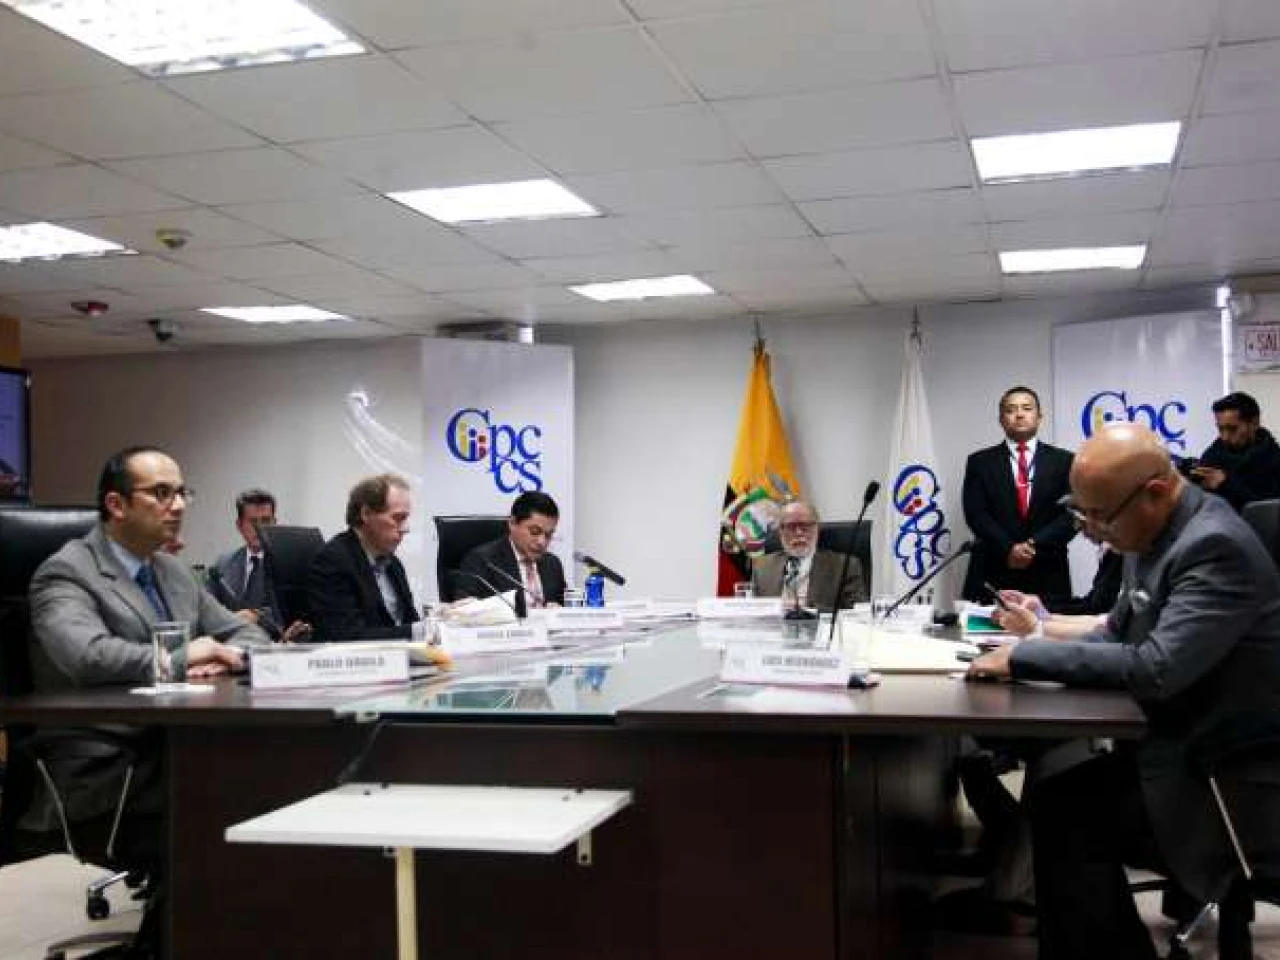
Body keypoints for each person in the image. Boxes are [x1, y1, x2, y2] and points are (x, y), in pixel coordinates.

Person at [967, 423, 1280, 959]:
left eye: (1100, 516)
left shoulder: (1214, 546)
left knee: (1067, 810)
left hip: (1226, 775)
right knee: (1058, 792)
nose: (1092, 531)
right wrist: (1031, 642)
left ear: (1155, 492)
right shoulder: (1152, 533)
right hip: (1182, 744)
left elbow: (1156, 667)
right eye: (1081, 514)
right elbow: (1117, 632)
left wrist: (1022, 657)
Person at [26, 446, 268, 954]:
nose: (177, 505)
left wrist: (225, 656)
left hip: (174, 748)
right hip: (106, 769)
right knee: (232, 809)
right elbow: (86, 656)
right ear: (116, 504)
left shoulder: (173, 572)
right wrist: (180, 657)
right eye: (161, 493)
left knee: (266, 786)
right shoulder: (65, 572)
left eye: (181, 493)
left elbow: (249, 634)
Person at [961, 386, 1076, 602]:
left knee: (1050, 623)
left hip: (1048, 570)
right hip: (993, 568)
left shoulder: (1065, 461)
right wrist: (1008, 549)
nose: (1019, 414)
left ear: (1039, 417)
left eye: (1027, 408)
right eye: (1011, 409)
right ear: (1001, 420)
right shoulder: (980, 462)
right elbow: (976, 514)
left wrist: (1034, 545)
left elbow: (1072, 515)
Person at [307, 473, 419, 641]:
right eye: (397, 518)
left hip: (398, 655)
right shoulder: (333, 561)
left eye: (406, 519)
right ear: (366, 514)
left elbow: (409, 620)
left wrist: (439, 620)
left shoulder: (393, 563)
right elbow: (347, 637)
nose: (405, 528)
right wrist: (420, 631)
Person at [209, 488, 308, 641]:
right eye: (253, 521)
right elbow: (209, 609)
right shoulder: (223, 564)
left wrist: (257, 616)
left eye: (266, 521)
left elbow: (296, 611)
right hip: (229, 645)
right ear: (239, 525)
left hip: (275, 644)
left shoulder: (290, 563)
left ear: (275, 523)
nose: (259, 528)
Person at [457, 491, 567, 614]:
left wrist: (559, 610)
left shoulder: (552, 564)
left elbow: (563, 606)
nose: (542, 542)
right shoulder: (483, 561)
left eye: (549, 535)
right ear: (512, 523)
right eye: (535, 532)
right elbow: (465, 612)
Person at [751, 500, 866, 610]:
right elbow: (753, 611)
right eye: (791, 526)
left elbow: (856, 612)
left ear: (817, 528)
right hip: (774, 624)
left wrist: (807, 610)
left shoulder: (845, 566)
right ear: (780, 531)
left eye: (805, 526)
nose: (799, 532)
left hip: (819, 623)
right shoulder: (762, 566)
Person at [1190, 390, 1280, 512]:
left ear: (1254, 423)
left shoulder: (1274, 460)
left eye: (1232, 429)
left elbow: (1268, 510)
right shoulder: (1211, 457)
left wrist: (1225, 485)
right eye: (1220, 429)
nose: (1224, 437)